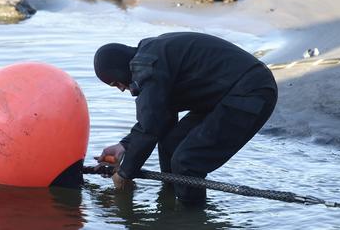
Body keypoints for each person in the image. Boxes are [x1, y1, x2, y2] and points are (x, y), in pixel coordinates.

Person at [93, 32, 277, 203]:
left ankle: (190, 220)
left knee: (187, 162)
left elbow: (151, 125)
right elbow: (158, 117)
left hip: (251, 92)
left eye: (116, 83)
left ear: (119, 70)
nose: (122, 89)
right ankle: (170, 203)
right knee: (171, 144)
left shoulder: (146, 67)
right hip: (226, 95)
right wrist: (124, 145)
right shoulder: (151, 57)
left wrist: (125, 173)